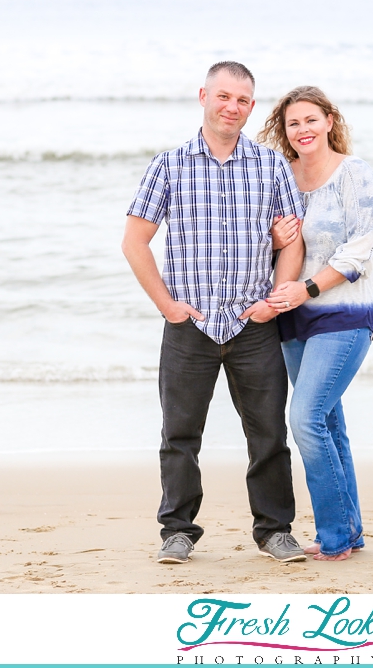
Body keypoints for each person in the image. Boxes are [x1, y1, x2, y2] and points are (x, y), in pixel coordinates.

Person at [122, 61, 309, 565]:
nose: (232, 107)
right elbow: (135, 242)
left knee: (268, 433)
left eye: (243, 100)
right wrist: (167, 306)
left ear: (252, 106)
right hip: (191, 324)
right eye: (224, 96)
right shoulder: (170, 165)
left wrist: (274, 300)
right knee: (179, 435)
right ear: (204, 96)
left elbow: (292, 242)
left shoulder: (270, 166)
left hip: (253, 324)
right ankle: (177, 531)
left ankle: (275, 531)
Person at [258, 86, 373, 561]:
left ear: (329, 121)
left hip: (344, 314)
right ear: (284, 131)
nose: (302, 130)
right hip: (293, 322)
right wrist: (271, 238)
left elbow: (361, 246)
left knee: (305, 419)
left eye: (311, 120)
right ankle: (350, 531)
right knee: (328, 423)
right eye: (293, 123)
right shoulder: (284, 176)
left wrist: (307, 289)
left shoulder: (355, 174)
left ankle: (333, 537)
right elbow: (274, 245)